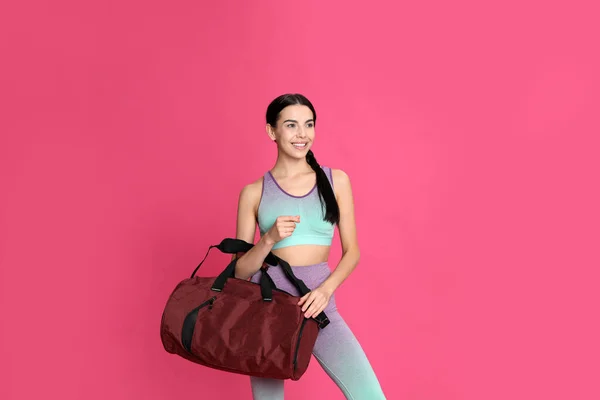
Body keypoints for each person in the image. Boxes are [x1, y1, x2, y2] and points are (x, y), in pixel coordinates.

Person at [233, 93, 386, 399]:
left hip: (317, 301)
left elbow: (352, 251)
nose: (302, 134)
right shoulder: (253, 192)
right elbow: (239, 270)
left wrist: (326, 290)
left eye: (309, 124)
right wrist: (269, 240)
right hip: (267, 307)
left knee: (368, 394)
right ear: (271, 131)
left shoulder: (336, 180)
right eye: (291, 125)